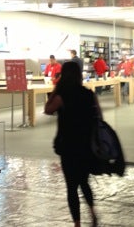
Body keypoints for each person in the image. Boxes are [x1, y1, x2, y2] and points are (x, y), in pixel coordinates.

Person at [44, 61, 99, 227]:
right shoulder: (88, 94)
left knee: (71, 187)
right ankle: (93, 212)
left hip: (68, 145)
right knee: (84, 181)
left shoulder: (62, 96)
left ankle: (77, 223)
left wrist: (56, 89)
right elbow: (98, 116)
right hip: (85, 144)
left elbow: (48, 109)